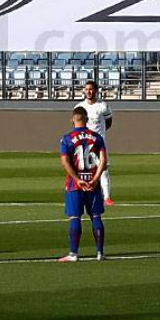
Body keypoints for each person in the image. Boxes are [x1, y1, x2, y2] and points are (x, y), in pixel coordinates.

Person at [58, 106, 108, 262]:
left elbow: (65, 162)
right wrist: (95, 178)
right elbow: (103, 161)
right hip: (93, 183)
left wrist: (77, 178)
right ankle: (100, 253)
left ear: (72, 119)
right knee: (95, 215)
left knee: (75, 217)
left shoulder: (66, 138)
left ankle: (73, 253)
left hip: (75, 184)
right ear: (86, 119)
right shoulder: (97, 137)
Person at [75, 80, 115, 206]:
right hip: (84, 144)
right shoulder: (79, 107)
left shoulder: (103, 106)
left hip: (98, 144)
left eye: (91, 89)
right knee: (82, 168)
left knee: (103, 169)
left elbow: (108, 122)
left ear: (96, 91)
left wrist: (99, 135)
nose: (88, 91)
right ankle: (81, 194)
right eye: (86, 89)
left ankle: (107, 196)